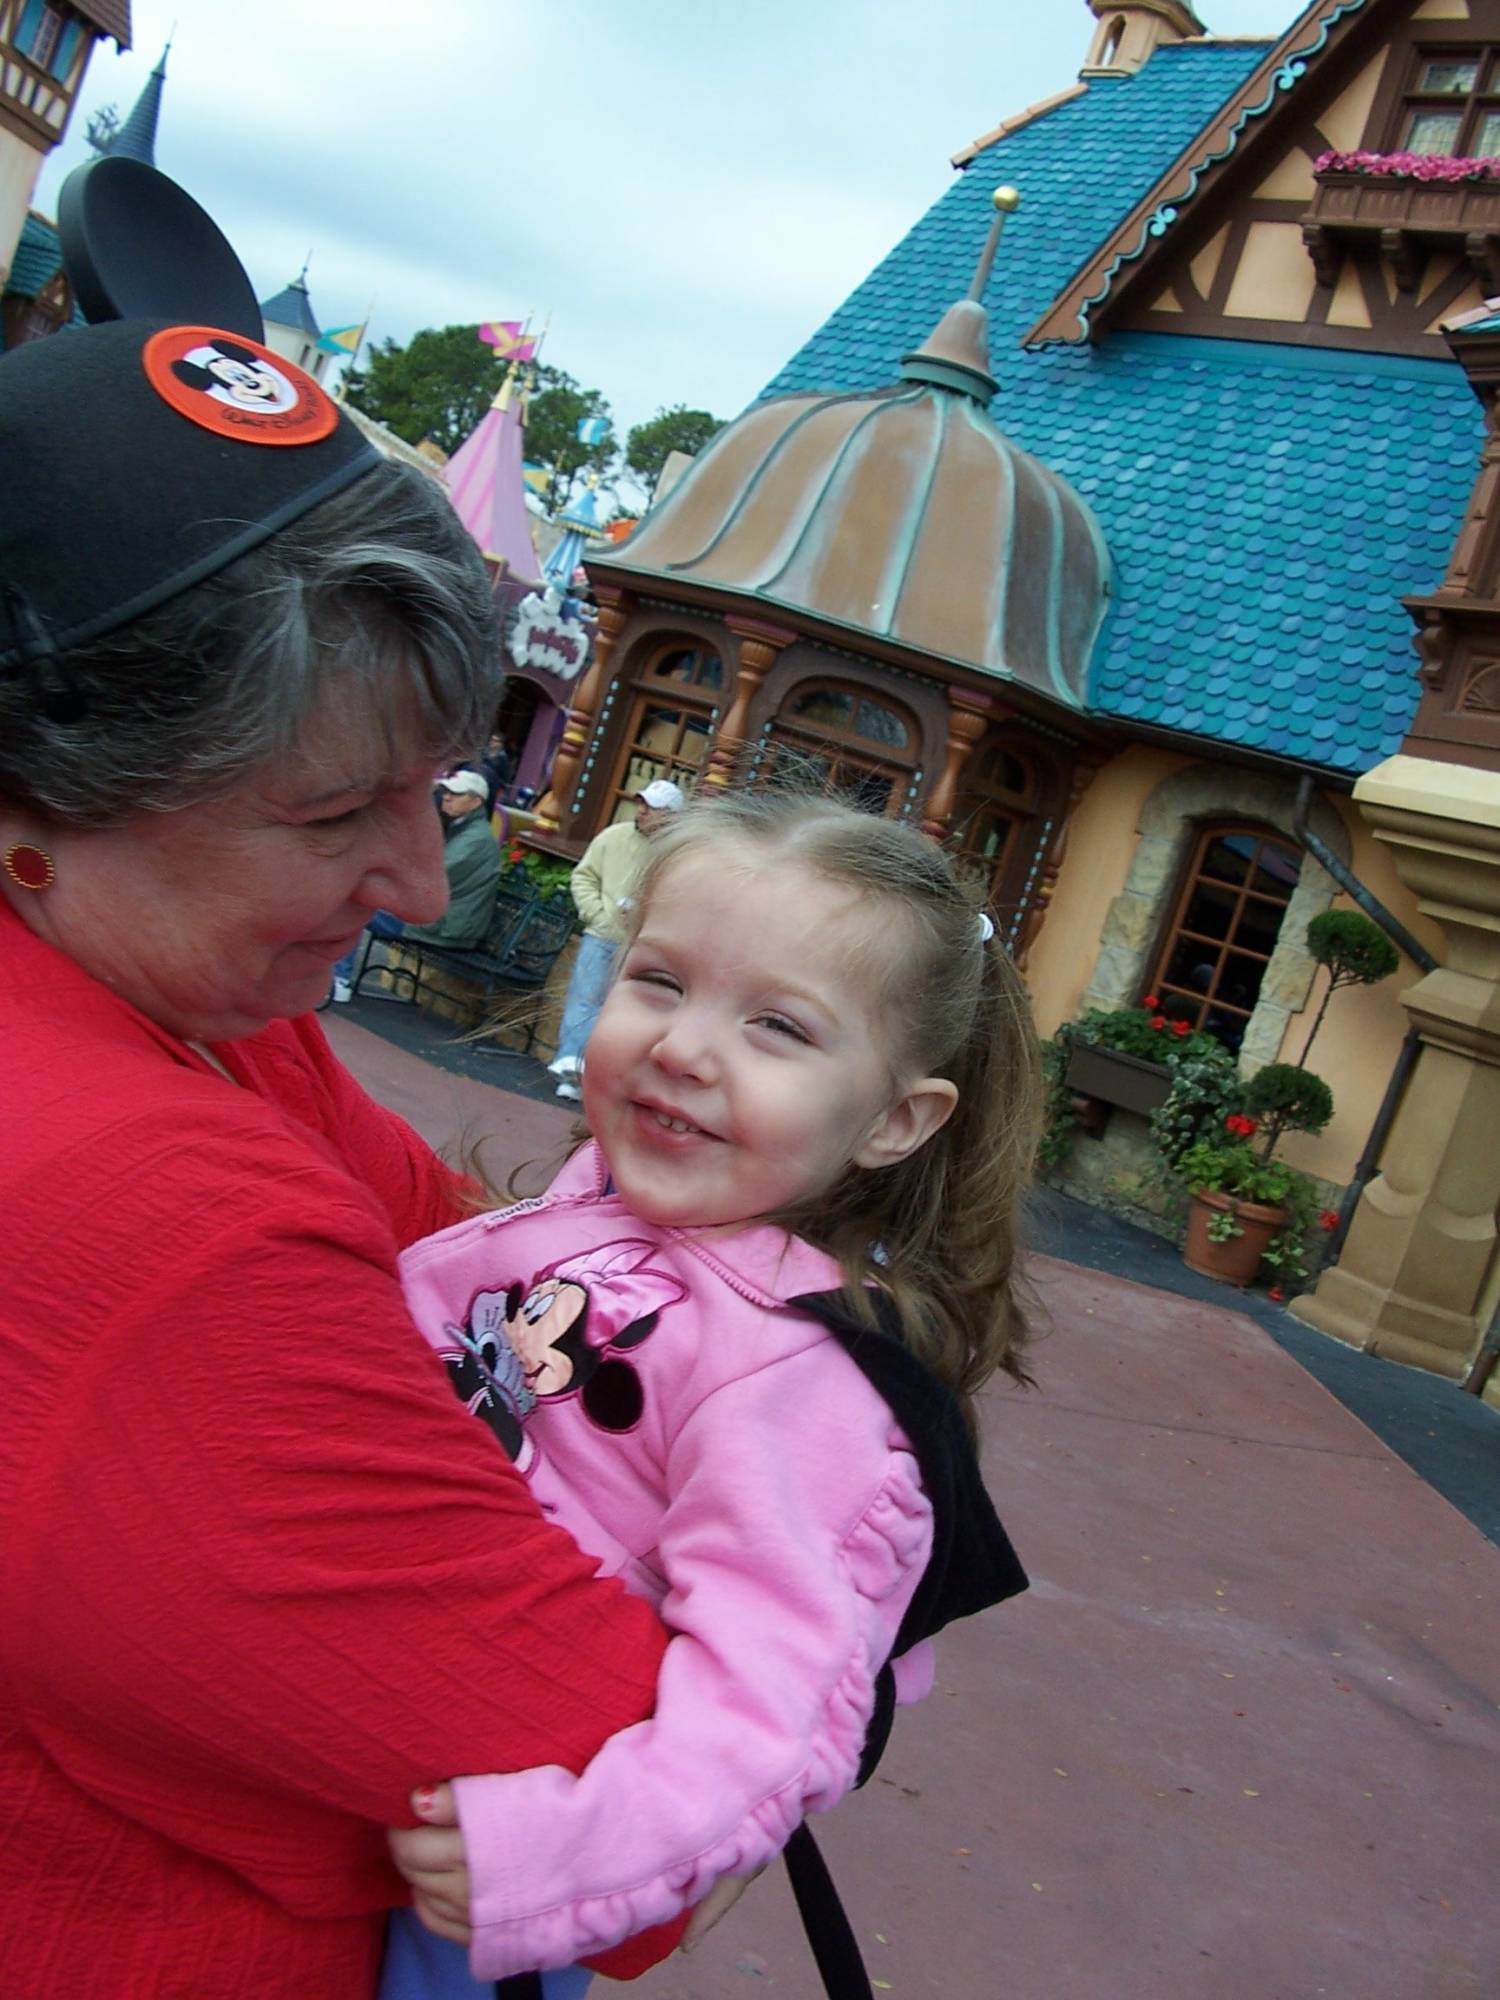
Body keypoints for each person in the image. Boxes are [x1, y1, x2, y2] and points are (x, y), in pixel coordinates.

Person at [0, 301, 723, 1997]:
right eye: (332, 816)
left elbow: (481, 1250)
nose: (415, 881)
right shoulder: (162, 1230)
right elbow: (645, 1830)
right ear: (32, 812)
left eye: (435, 788)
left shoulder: (203, 1020)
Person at [376, 789, 1037, 1993]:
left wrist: (564, 1858)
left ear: (896, 1118)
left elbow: (765, 1710)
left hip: (476, 1859)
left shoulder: (801, 1381)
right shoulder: (588, 1206)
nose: (684, 1044)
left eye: (777, 1025)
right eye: (661, 980)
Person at [547, 777, 685, 1100]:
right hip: (603, 934)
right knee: (584, 1000)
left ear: (671, 816)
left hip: (641, 944)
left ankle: (600, 1077)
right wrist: (596, 913)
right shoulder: (613, 837)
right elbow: (584, 876)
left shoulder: (675, 855)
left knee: (623, 1010)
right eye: (642, 804)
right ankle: (571, 1067)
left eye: (652, 808)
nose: (643, 812)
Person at [330, 769, 500, 1001]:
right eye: (447, 791)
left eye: (457, 794)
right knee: (357, 901)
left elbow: (429, 877)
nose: (447, 797)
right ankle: (335, 976)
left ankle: (339, 980)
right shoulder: (461, 828)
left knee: (357, 907)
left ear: (476, 801)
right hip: (438, 919)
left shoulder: (476, 839)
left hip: (444, 927)